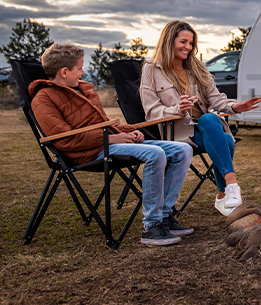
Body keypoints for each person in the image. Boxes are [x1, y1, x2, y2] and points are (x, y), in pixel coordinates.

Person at [30, 44, 193, 246]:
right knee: (155, 154)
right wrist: (111, 139)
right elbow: (65, 140)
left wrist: (128, 131)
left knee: (183, 149)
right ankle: (152, 226)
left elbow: (102, 125)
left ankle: (165, 216)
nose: (83, 72)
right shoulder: (43, 98)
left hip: (108, 142)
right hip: (89, 152)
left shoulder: (83, 89)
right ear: (64, 72)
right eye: (79, 68)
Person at [140, 21, 261, 217]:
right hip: (177, 131)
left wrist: (234, 106)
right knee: (226, 139)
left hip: (205, 127)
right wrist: (176, 109)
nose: (188, 47)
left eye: (191, 43)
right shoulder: (152, 69)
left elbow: (215, 97)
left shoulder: (197, 67)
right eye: (183, 42)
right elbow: (151, 111)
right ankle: (225, 193)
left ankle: (229, 187)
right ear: (169, 41)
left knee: (209, 120)